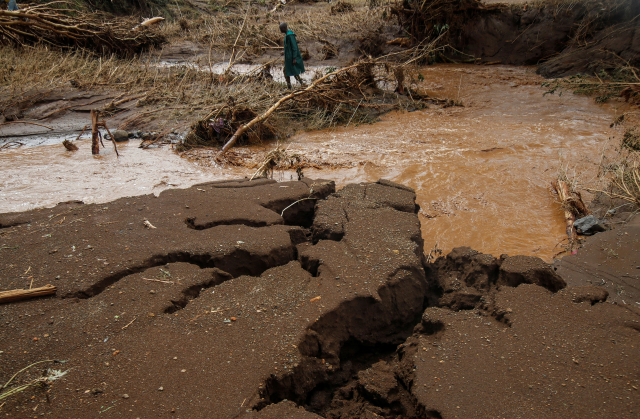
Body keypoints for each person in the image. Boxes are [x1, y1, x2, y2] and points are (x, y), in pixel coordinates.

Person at [280, 22, 305, 89]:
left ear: (283, 28)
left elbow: (294, 47)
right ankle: (301, 84)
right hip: (289, 57)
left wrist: (294, 58)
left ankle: (290, 86)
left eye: (280, 28)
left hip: (291, 57)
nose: (280, 30)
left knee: (287, 71)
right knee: (292, 71)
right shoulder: (287, 35)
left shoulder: (290, 35)